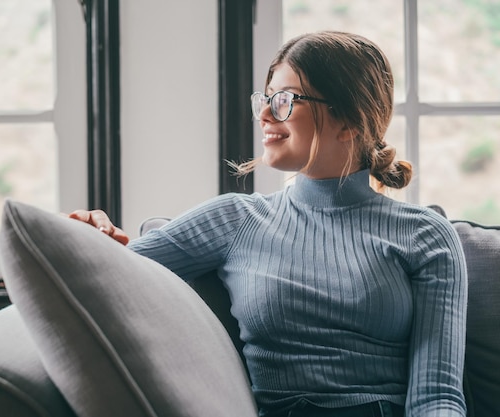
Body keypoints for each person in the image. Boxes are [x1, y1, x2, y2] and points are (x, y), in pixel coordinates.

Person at [70, 31, 467, 417]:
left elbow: (437, 396)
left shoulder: (425, 234)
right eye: (265, 98)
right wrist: (86, 235)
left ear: (348, 120)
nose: (263, 114)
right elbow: (102, 275)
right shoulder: (234, 220)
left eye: (284, 100)